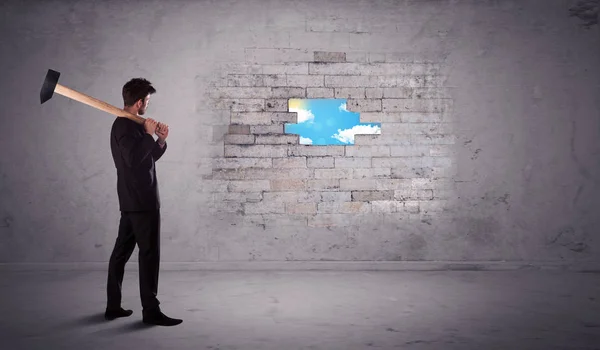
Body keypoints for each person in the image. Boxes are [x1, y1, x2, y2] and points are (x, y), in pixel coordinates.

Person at [104, 78, 182, 326]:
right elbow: (133, 160)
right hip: (141, 201)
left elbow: (148, 159)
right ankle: (151, 311)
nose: (148, 105)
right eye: (147, 101)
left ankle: (113, 306)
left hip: (133, 200)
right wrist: (148, 135)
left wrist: (159, 140)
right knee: (149, 255)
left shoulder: (134, 125)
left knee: (120, 254)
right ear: (139, 102)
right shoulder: (123, 126)